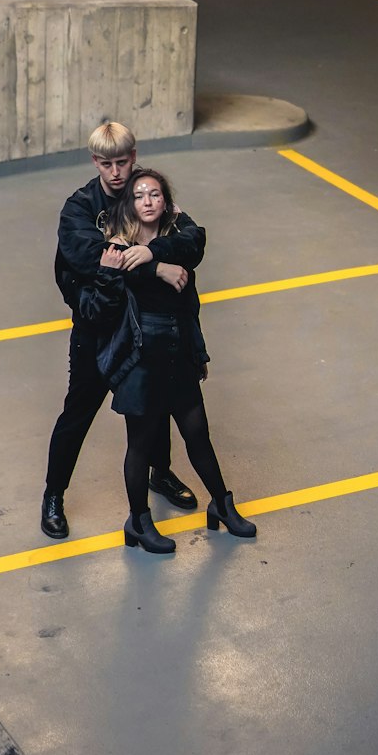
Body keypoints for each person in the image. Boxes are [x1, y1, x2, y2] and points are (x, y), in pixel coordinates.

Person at [41, 122, 207, 540]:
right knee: (79, 411)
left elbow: (191, 237)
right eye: (106, 164)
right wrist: (157, 267)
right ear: (94, 161)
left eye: (123, 162)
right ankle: (53, 494)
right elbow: (91, 260)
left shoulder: (147, 192)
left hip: (145, 327)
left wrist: (154, 250)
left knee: (157, 402)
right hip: (99, 326)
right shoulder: (78, 208)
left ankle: (161, 474)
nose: (116, 172)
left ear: (134, 156)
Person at [79, 166, 256, 554]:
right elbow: (118, 281)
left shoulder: (176, 237)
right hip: (142, 358)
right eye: (140, 195)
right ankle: (138, 520)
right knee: (140, 444)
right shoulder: (116, 245)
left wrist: (155, 253)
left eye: (155, 194)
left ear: (166, 201)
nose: (148, 200)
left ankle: (222, 504)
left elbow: (197, 242)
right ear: (130, 202)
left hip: (178, 350)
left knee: (198, 433)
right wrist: (155, 267)